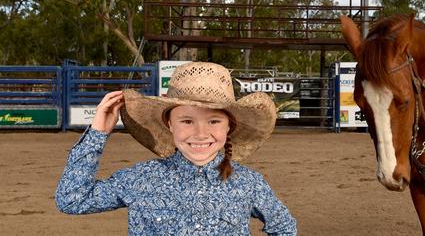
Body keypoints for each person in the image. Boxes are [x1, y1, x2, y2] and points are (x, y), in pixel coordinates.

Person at [55, 62, 297, 235]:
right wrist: (97, 134)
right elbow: (72, 200)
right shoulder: (140, 179)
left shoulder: (249, 183)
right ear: (169, 124)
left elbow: (284, 226)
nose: (201, 134)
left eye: (214, 121)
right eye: (187, 121)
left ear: (228, 127)